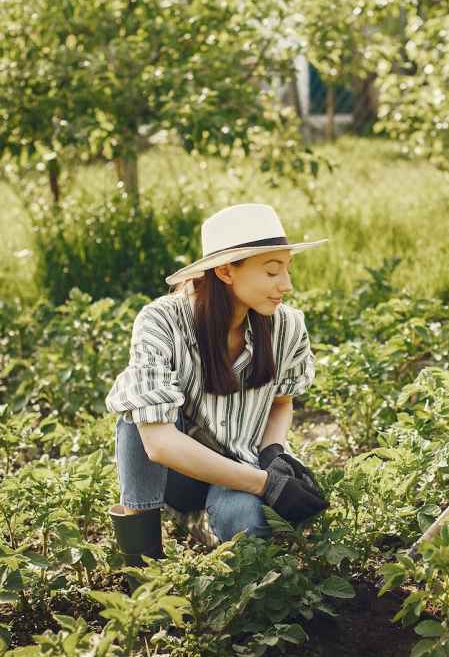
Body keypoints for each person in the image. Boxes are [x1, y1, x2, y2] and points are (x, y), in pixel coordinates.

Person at [104, 202, 329, 571]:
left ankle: (207, 528)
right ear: (225, 271)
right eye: (272, 271)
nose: (286, 285)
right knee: (136, 417)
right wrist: (264, 485)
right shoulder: (163, 321)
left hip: (242, 463)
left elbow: (281, 401)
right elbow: (158, 444)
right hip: (177, 473)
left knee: (248, 528)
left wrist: (272, 454)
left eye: (287, 269)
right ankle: (141, 568)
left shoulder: (287, 326)